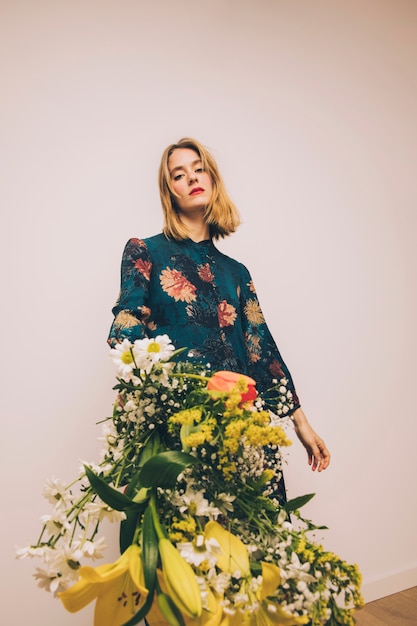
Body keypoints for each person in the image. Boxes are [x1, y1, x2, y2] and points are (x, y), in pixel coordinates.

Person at [107, 137, 330, 502]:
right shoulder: (145, 251)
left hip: (241, 420)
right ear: (170, 191)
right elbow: (127, 322)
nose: (192, 178)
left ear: (212, 179)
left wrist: (300, 422)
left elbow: (262, 348)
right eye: (179, 175)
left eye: (199, 169)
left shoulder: (236, 273)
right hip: (181, 421)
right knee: (187, 542)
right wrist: (140, 391)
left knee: (251, 546)